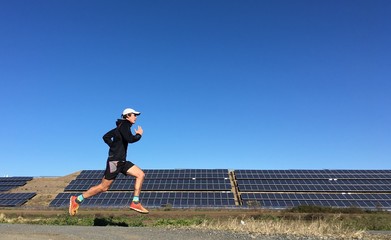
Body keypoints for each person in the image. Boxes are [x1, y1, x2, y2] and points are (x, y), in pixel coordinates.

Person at [69, 108, 149, 215]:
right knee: (103, 187)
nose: (136, 117)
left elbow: (105, 137)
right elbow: (130, 139)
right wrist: (139, 135)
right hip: (115, 162)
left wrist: (113, 147)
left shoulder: (119, 128)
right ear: (127, 116)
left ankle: (135, 202)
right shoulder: (125, 125)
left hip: (122, 161)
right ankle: (77, 199)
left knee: (140, 174)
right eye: (134, 115)